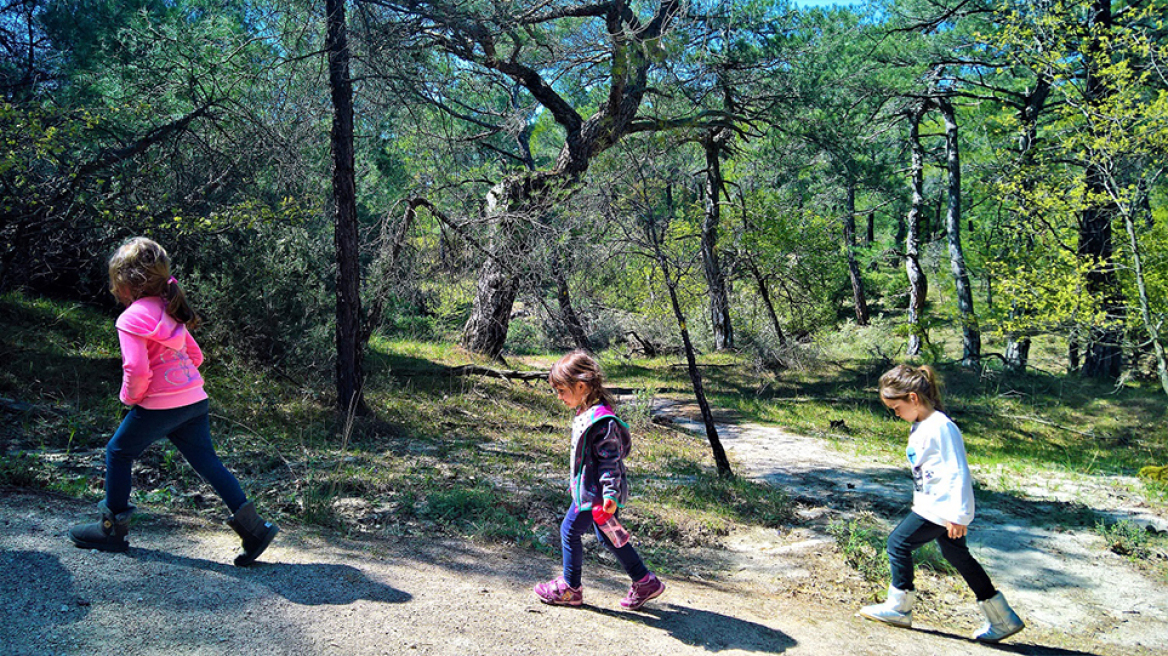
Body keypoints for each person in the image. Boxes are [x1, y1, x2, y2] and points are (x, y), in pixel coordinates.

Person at [69, 237, 278, 566]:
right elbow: (196, 355)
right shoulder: (170, 309)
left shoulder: (131, 319)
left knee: (118, 452)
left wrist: (130, 398)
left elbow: (136, 369)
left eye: (114, 283)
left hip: (159, 404)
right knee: (208, 462)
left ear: (125, 283)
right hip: (194, 400)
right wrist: (179, 382)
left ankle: (111, 530)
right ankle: (254, 529)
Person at [859, 364, 1024, 642]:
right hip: (934, 506)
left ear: (913, 398)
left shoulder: (942, 427)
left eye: (895, 407)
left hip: (939, 510)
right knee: (957, 556)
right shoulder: (921, 425)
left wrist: (958, 514)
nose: (895, 414)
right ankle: (1003, 619)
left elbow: (957, 470)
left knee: (898, 543)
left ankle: (899, 608)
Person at [533, 350, 665, 610]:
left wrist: (610, 494)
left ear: (581, 386)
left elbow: (610, 461)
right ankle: (644, 580)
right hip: (591, 492)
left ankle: (570, 589)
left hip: (596, 495)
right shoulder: (587, 410)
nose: (559, 397)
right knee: (607, 536)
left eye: (561, 390)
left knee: (569, 531)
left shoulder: (602, 421)